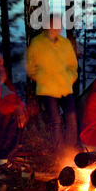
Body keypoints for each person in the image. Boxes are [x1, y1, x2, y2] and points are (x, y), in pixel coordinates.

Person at [26, 14, 78, 160]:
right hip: (47, 89)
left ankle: (70, 151)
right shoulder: (37, 43)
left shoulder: (65, 43)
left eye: (59, 25)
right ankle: (60, 153)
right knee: (55, 121)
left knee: (72, 118)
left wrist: (70, 78)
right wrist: (43, 78)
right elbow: (30, 68)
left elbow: (73, 65)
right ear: (47, 26)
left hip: (65, 87)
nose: (57, 28)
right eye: (54, 25)